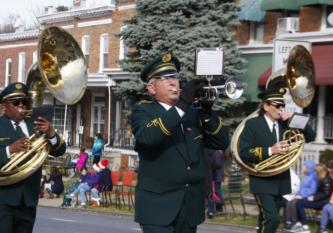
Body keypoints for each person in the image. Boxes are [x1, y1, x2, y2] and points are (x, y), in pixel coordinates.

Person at [130, 53, 229, 233]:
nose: (174, 83)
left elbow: (221, 142)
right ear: (152, 88)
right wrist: (183, 103)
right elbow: (147, 137)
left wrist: (207, 115)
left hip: (190, 206)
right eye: (165, 79)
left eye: (175, 77)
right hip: (157, 207)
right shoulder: (143, 111)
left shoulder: (191, 112)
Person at [239, 87, 316, 233]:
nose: (281, 109)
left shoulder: (285, 123)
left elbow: (311, 136)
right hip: (262, 179)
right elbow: (244, 152)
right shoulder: (252, 124)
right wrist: (270, 150)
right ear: (266, 106)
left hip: (281, 179)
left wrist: (296, 118)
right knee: (272, 218)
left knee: (266, 219)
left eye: (282, 105)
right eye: (277, 105)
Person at [0, 82, 66, 233]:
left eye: (25, 101)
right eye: (16, 102)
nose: (21, 105)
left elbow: (60, 150)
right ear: (4, 105)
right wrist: (10, 149)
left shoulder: (35, 124)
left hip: (29, 199)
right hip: (3, 199)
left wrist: (51, 133)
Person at [292, 163, 333, 232]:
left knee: (300, 203)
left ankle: (305, 226)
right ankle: (301, 223)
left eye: (316, 170)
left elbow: (326, 194)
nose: (314, 172)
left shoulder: (327, 179)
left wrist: (314, 198)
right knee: (299, 202)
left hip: (324, 201)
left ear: (320, 171)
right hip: (318, 199)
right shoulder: (320, 178)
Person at [284, 160, 317, 230]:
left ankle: (295, 221)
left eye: (304, 166)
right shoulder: (306, 176)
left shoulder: (313, 177)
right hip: (300, 196)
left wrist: (302, 195)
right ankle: (288, 221)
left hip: (307, 197)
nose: (302, 168)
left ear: (308, 168)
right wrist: (296, 194)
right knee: (289, 202)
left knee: (294, 203)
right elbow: (301, 188)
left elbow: (313, 190)